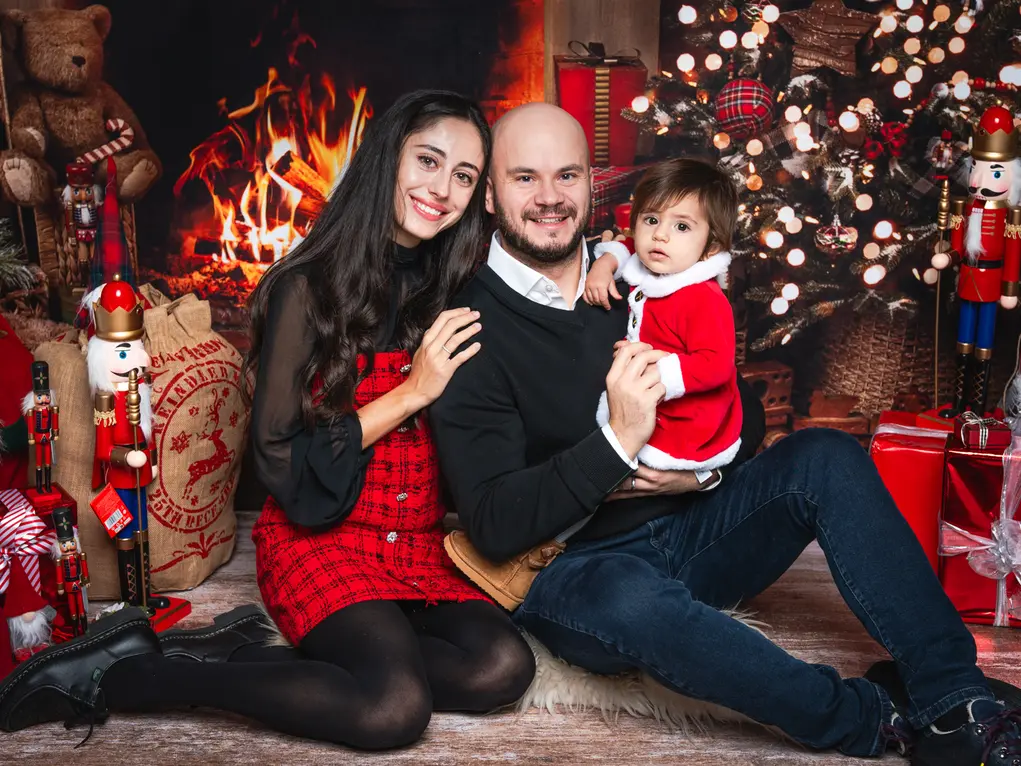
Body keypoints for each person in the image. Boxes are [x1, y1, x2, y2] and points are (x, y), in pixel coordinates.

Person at [428, 101, 1021, 766]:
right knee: (623, 597)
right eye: (523, 178)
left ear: (593, 185)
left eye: (566, 176)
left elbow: (736, 399)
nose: (548, 198)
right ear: (488, 193)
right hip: (581, 571)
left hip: (692, 526)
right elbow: (493, 522)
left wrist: (699, 473)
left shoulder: (646, 269)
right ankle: (867, 720)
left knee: (825, 453)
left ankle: (956, 700)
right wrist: (615, 448)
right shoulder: (470, 329)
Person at [0, 90, 534, 750]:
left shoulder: (455, 286)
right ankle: (136, 678)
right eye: (427, 160)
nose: (442, 188)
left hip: (415, 546)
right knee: (391, 709)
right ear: (387, 159)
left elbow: (543, 286)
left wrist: (602, 271)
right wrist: (409, 393)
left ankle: (226, 655)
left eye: (464, 175)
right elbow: (282, 465)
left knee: (502, 667)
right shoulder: (304, 289)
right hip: (323, 539)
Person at [585, 158, 742, 475]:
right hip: (644, 399)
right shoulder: (655, 258)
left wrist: (656, 373)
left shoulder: (703, 298)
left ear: (711, 247)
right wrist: (606, 263)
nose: (661, 236)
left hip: (687, 416)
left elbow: (716, 365)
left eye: (682, 226)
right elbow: (628, 244)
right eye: (651, 220)